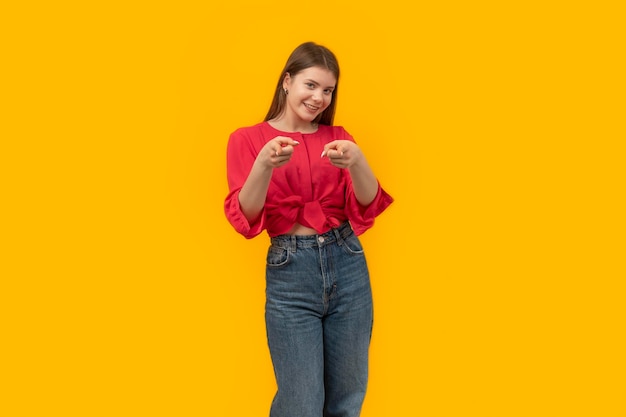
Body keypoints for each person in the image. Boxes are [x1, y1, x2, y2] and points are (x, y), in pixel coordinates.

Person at [224, 41, 393, 417]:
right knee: (301, 402)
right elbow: (246, 216)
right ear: (287, 81)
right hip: (291, 271)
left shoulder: (339, 137)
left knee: (348, 398)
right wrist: (264, 165)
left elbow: (367, 204)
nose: (319, 98)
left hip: (347, 263)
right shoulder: (248, 140)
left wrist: (358, 161)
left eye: (328, 90)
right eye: (311, 85)